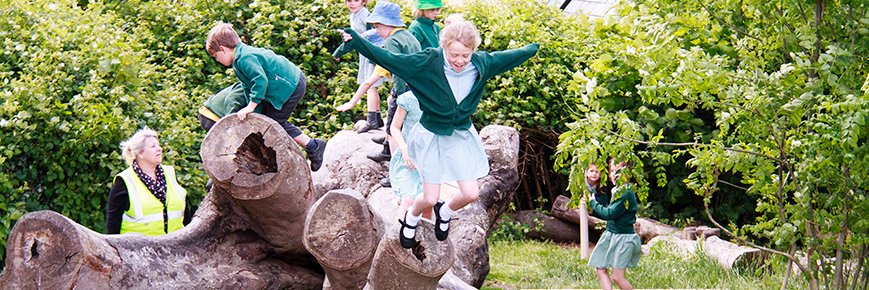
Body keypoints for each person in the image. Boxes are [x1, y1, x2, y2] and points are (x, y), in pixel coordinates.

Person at [340, 20, 539, 248]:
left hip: (460, 135)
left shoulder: (480, 64)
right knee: (429, 197)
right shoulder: (427, 61)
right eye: (455, 55)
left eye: (466, 55)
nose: (460, 61)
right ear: (444, 47)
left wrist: (534, 47)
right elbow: (391, 60)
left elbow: (510, 56)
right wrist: (357, 41)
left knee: (471, 193)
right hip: (431, 135)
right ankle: (411, 217)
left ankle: (444, 211)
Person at [206, 22, 327, 171]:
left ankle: (313, 146)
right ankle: (310, 146)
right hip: (285, 85)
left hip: (291, 85)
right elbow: (248, 87)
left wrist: (251, 106)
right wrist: (253, 112)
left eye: (216, 56)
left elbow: (260, 81)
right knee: (267, 120)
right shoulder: (239, 60)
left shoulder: (245, 58)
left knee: (274, 123)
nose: (217, 60)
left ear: (223, 50)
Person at [338, 1, 422, 187]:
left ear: (387, 24)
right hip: (419, 90)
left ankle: (396, 173)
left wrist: (352, 102)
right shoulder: (408, 36)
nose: (376, 30)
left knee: (394, 132)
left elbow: (384, 76)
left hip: (404, 92)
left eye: (377, 26)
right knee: (408, 131)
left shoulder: (391, 42)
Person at [106, 128, 191, 236]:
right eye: (153, 146)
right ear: (140, 154)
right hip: (138, 249)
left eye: (158, 145)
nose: (159, 149)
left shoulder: (170, 173)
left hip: (175, 247)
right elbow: (113, 224)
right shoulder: (124, 181)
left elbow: (185, 213)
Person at [586, 158, 641, 290]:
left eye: (618, 172)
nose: (613, 175)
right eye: (611, 171)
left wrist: (593, 202)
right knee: (600, 267)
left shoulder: (626, 192)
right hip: (611, 234)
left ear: (627, 173)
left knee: (618, 276)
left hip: (623, 238)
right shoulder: (617, 189)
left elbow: (609, 214)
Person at [333, 0, 386, 133]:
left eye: (356, 0)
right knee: (370, 85)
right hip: (363, 53)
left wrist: (341, 50)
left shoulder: (366, 16)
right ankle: (377, 117)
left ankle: (371, 119)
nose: (351, 4)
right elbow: (353, 39)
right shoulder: (354, 15)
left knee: (370, 86)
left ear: (363, 2)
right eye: (348, 1)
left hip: (370, 54)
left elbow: (374, 36)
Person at [388, 90, 424, 247]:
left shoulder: (441, 97)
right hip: (408, 159)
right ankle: (395, 241)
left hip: (430, 161)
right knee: (408, 199)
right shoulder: (408, 98)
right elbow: (394, 127)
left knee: (427, 201)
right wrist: (404, 149)